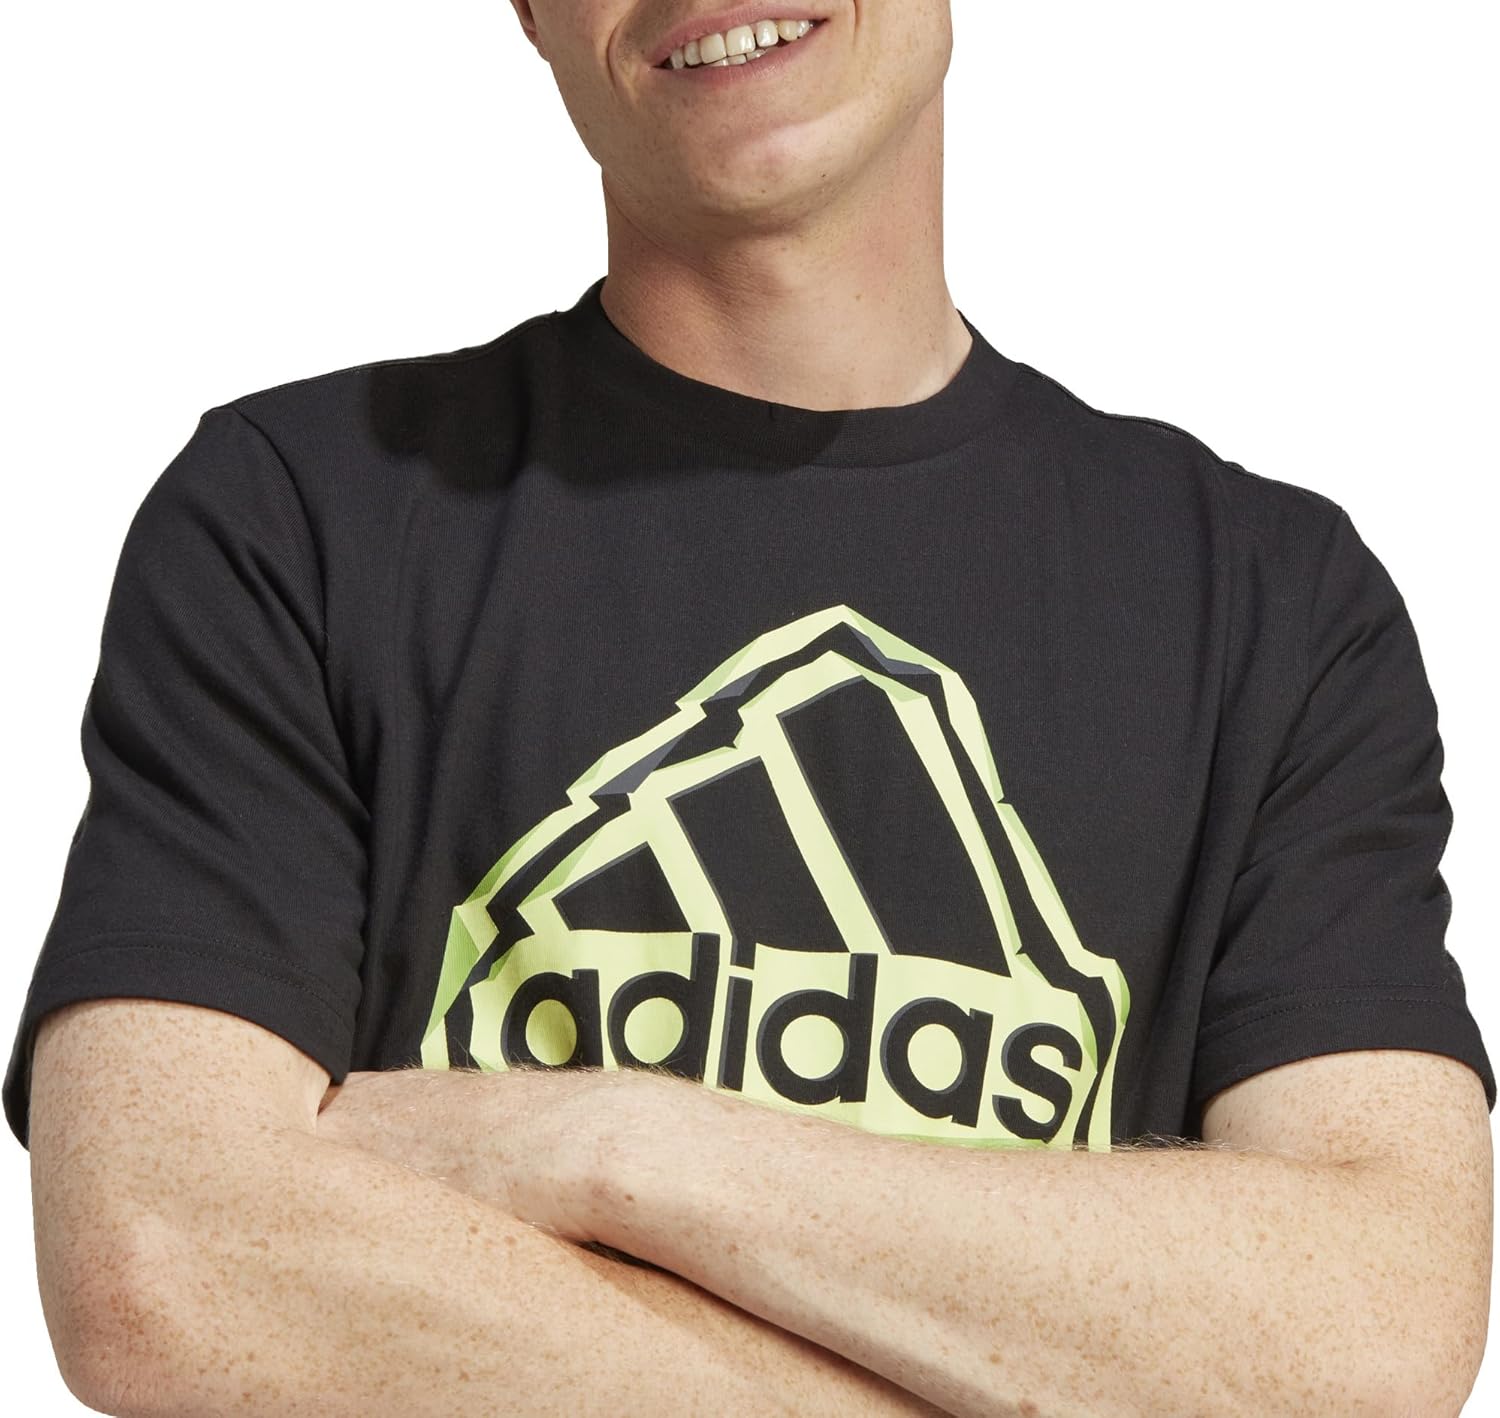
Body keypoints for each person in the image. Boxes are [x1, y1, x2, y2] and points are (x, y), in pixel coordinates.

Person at [6, 2, 1493, 1414]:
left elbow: (1378, 1328)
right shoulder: (297, 517)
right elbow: (165, 1268)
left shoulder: (1273, 598)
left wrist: (612, 1144)